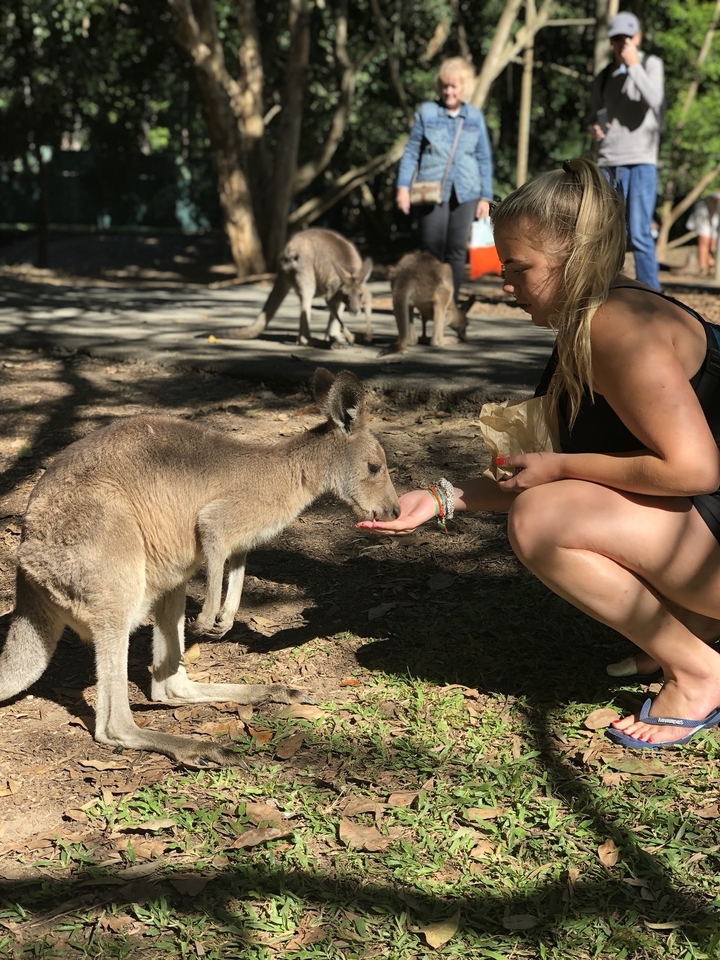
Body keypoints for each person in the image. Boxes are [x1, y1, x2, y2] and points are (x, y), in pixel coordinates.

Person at [360, 157, 720, 751]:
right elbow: (538, 463)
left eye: (519, 268)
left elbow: (695, 469)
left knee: (542, 520)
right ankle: (699, 625)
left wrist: (562, 468)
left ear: (575, 257)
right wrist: (442, 498)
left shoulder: (618, 327)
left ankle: (700, 673)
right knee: (547, 501)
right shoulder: (591, 317)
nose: (506, 283)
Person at [395, 56, 493, 302]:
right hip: (431, 189)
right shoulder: (427, 113)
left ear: (464, 87)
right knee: (431, 251)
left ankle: (449, 304)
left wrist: (486, 196)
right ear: (440, 86)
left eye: (454, 86)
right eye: (445, 86)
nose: (449, 91)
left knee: (457, 252)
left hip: (467, 190)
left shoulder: (474, 116)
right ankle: (427, 302)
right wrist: (403, 188)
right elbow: (411, 152)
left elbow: (483, 156)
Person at [589, 11, 665, 291]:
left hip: (641, 161)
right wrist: (595, 128)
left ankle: (654, 296)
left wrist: (634, 66)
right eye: (617, 38)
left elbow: (654, 99)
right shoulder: (605, 75)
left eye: (627, 37)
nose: (622, 42)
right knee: (609, 231)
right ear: (611, 41)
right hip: (609, 161)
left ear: (637, 38)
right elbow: (596, 114)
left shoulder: (651, 64)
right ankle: (610, 289)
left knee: (640, 233)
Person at [686, 193, 720, 277]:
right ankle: (702, 268)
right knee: (703, 247)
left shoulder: (717, 207)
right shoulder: (701, 206)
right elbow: (698, 220)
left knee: (712, 248)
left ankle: (711, 268)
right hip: (703, 229)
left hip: (714, 230)